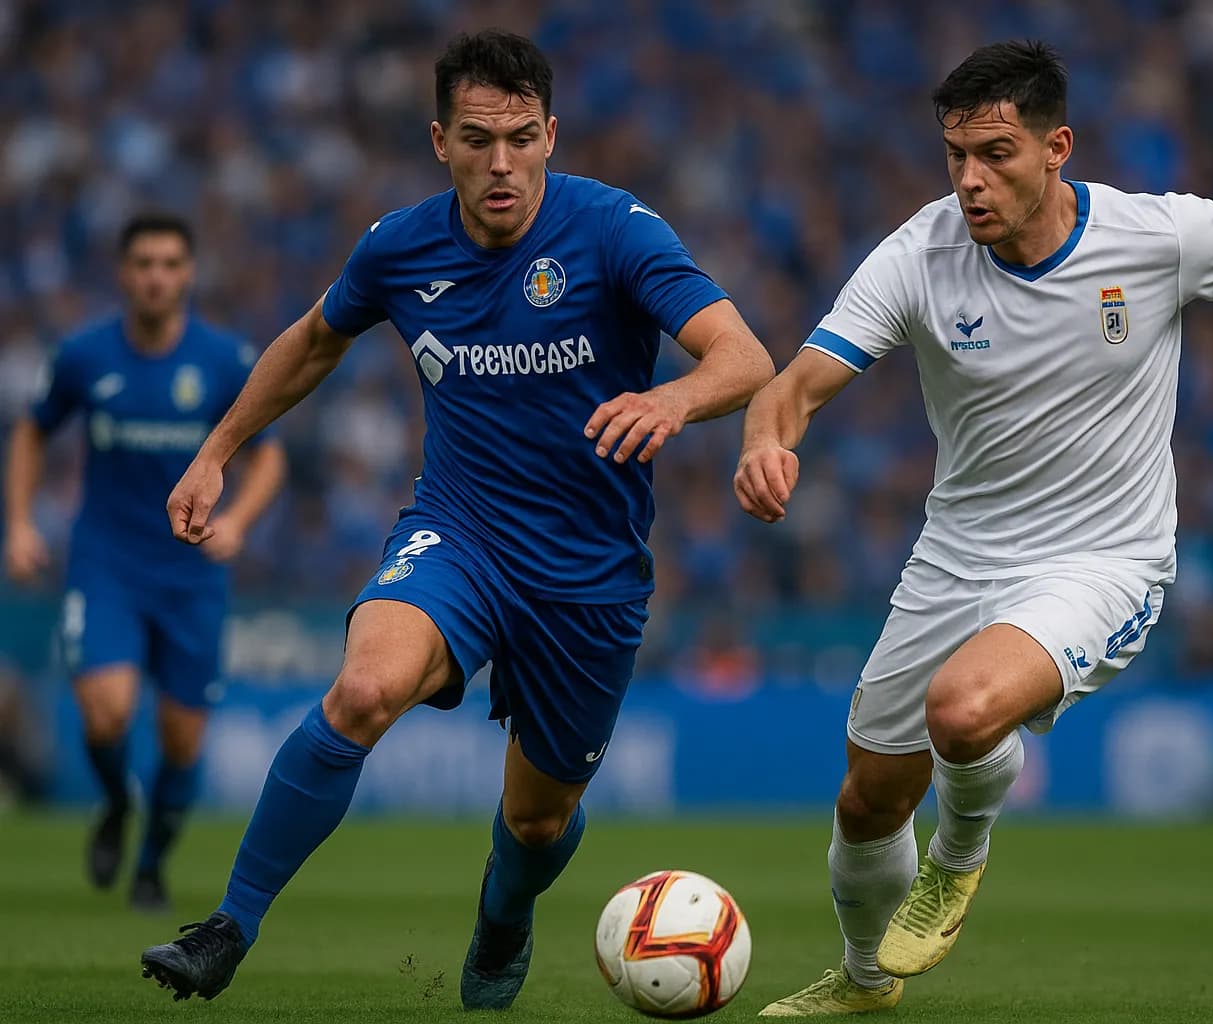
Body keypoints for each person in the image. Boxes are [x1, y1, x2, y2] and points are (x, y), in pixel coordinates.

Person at [738, 41, 1213, 1016]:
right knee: (867, 798)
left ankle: (958, 858)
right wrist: (766, 442)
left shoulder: (1158, 235)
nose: (970, 179)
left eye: (995, 154)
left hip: (1103, 560)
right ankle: (866, 979)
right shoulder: (919, 255)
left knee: (963, 710)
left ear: (1057, 149)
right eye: (956, 155)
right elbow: (793, 387)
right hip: (954, 556)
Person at [139, 29, 774, 1009]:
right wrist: (216, 450)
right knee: (363, 688)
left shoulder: (615, 231)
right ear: (442, 141)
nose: (501, 162)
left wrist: (674, 399)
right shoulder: (400, 246)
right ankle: (229, 926)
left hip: (589, 574)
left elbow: (743, 356)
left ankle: (503, 916)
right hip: (459, 536)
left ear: (551, 134)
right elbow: (312, 342)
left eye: (521, 138)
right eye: (478, 140)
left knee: (536, 821)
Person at [4, 213, 286, 911]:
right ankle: (115, 804)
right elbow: (32, 432)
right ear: (123, 273)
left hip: (192, 574)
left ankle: (152, 864)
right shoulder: (83, 355)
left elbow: (269, 456)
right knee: (106, 714)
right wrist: (20, 523)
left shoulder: (224, 361)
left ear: (188, 274)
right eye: (144, 264)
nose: (157, 277)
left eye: (170, 264)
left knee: (182, 742)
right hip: (106, 564)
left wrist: (238, 522)